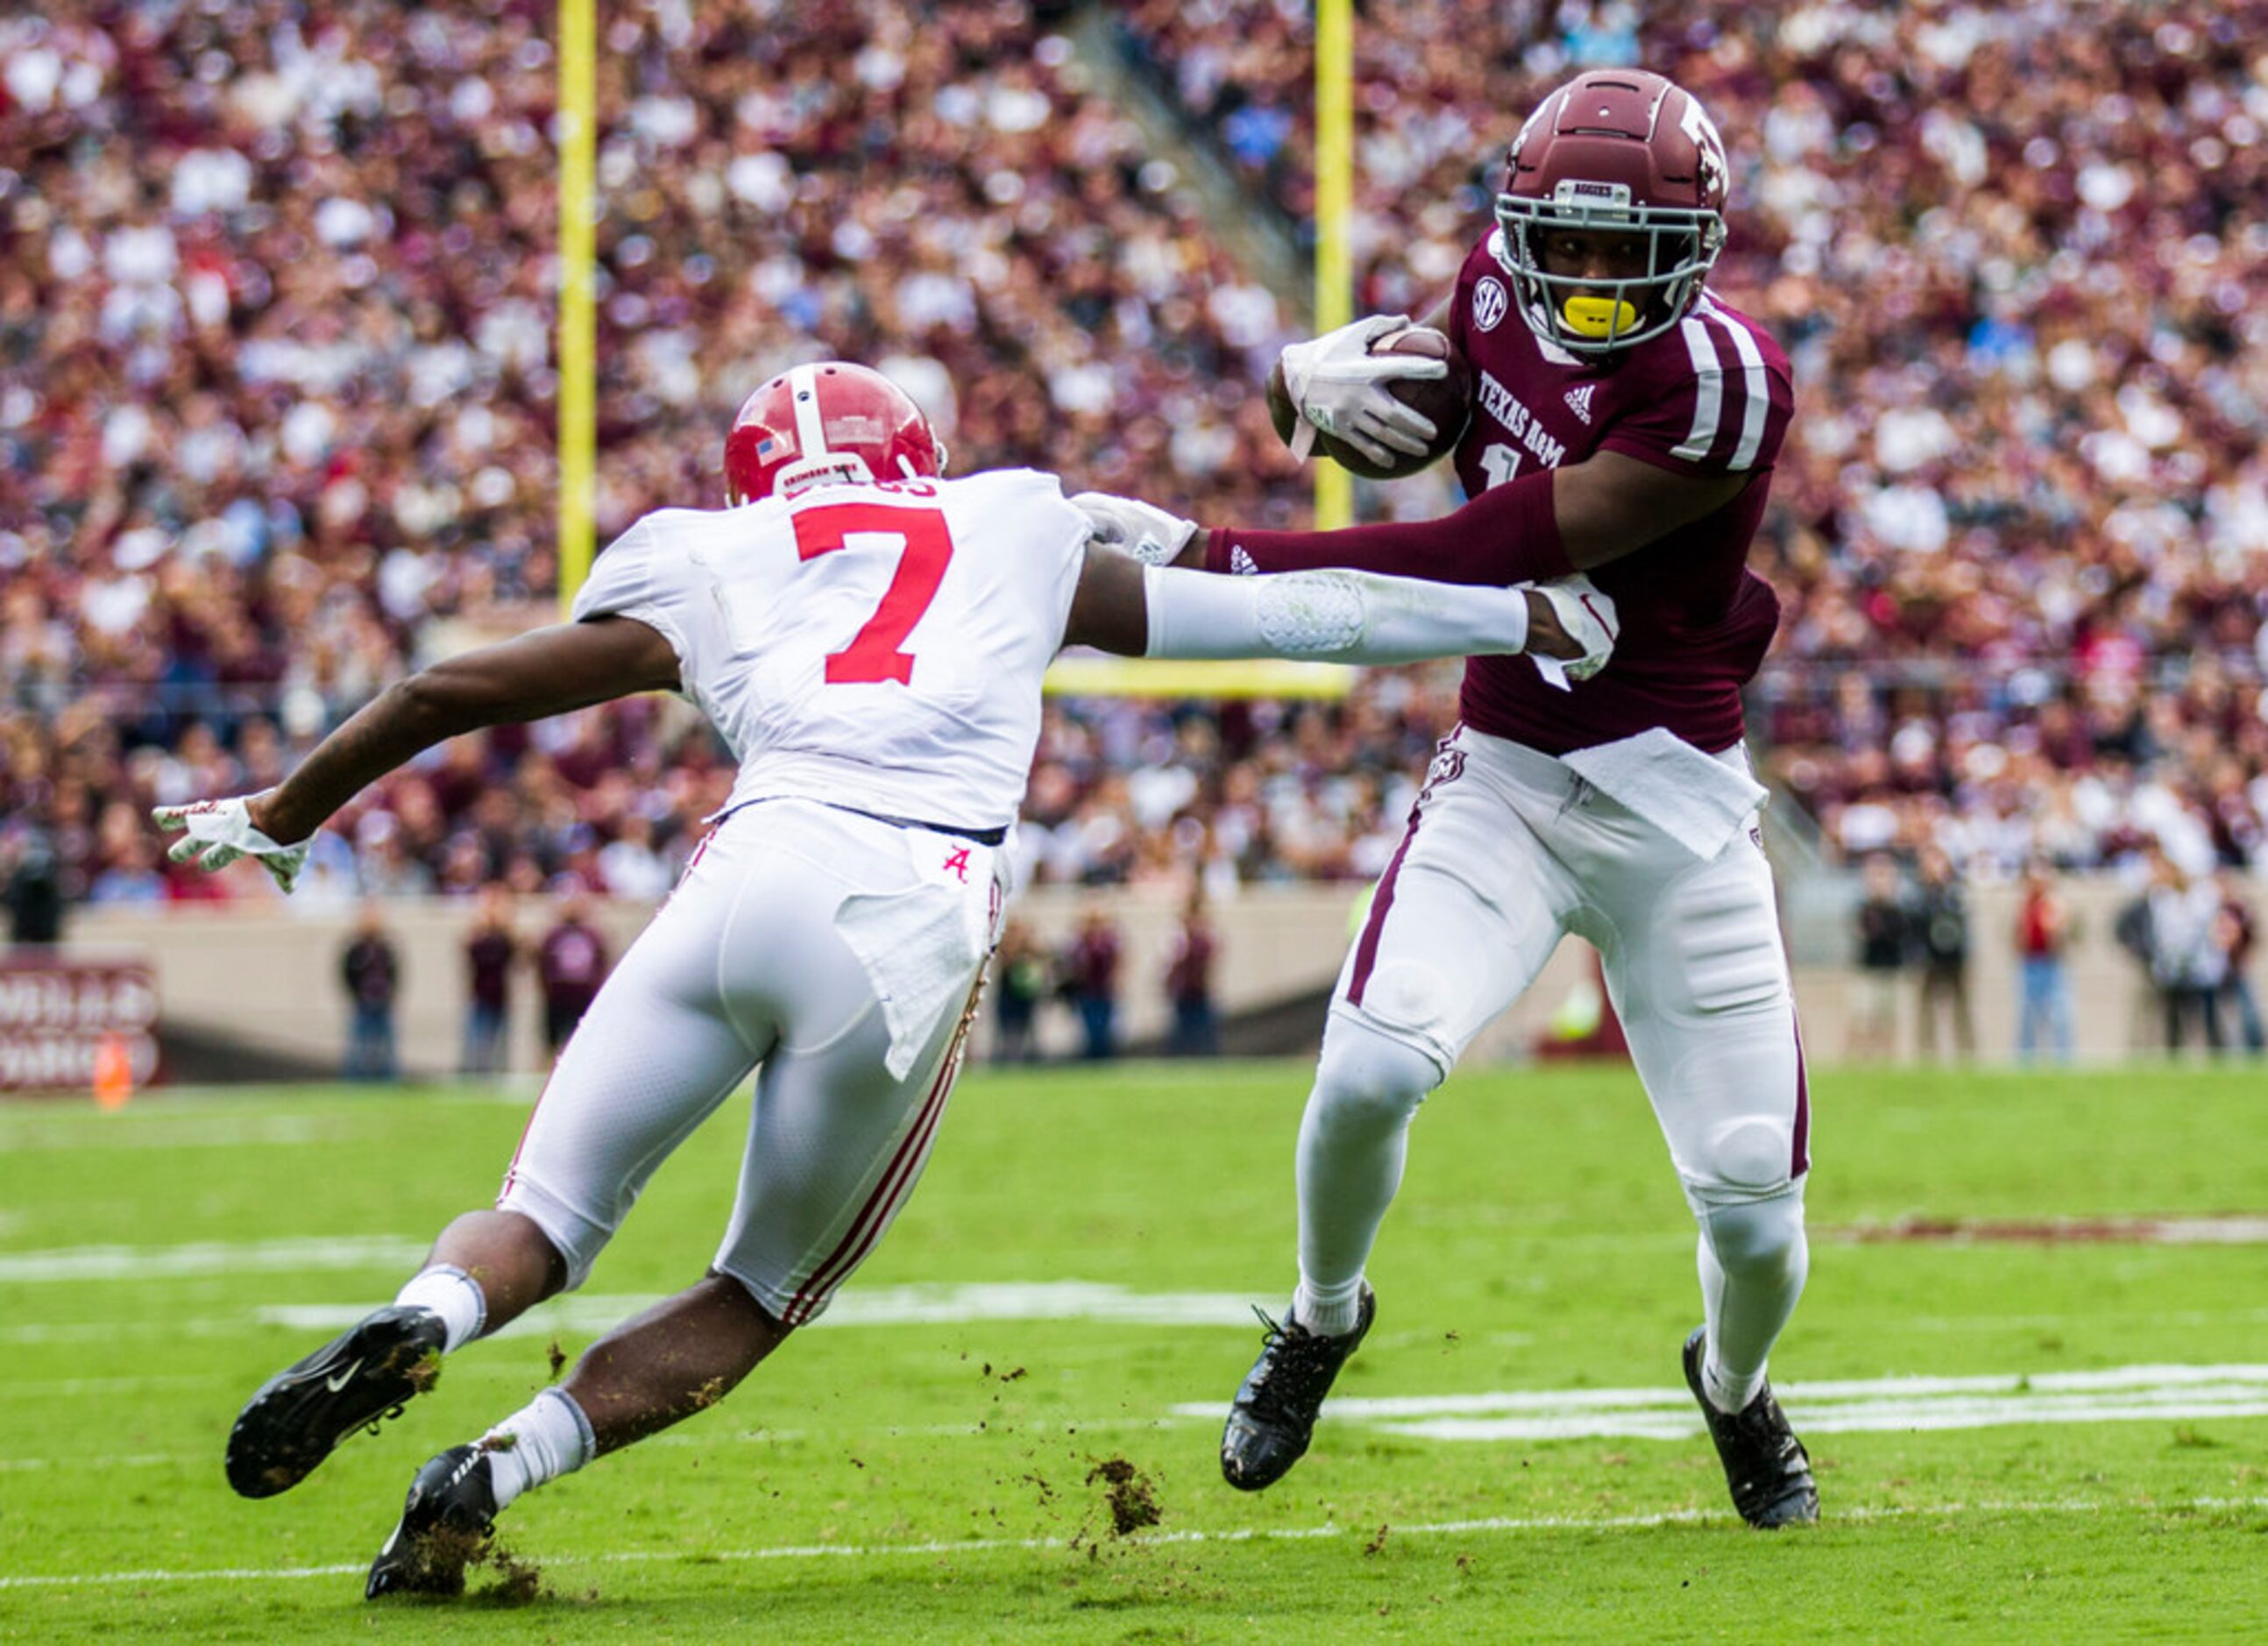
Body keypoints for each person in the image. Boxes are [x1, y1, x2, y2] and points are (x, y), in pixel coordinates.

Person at [152, 360, 1615, 1599]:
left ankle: (428, 1313)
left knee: (541, 1212)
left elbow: (442, 690)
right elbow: (1295, 621)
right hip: (904, 903)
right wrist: (1512, 615)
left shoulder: (705, 552)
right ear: (915, 453)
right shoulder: (1009, 517)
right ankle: (490, 1464)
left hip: (744, 864)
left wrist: (285, 813)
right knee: (762, 1288)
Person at [1081, 67, 1815, 1529]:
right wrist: (1307, 386)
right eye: (1571, 242)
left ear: (1698, 240)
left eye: (1628, 248)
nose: (1593, 277)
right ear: (1522, 224)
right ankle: (1315, 1313)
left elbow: (1492, 546)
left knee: (1751, 1210)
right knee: (1367, 1067)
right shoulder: (1490, 282)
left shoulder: (1721, 388)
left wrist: (1221, 557)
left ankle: (1730, 1386)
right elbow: (1422, 406)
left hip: (1673, 808)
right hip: (1509, 775)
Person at [535, 886, 610, 1067]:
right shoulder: (554, 935)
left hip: (582, 996)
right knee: (551, 1042)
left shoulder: (592, 935)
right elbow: (543, 963)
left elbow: (601, 963)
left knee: (582, 1043)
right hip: (557, 996)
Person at [1911, 847, 1973, 1062]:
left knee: (1961, 1009)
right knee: (1927, 1009)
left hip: (1953, 959)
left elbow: (1963, 923)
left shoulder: (1954, 893)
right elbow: (1915, 926)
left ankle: (1966, 1053)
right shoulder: (1920, 894)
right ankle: (1927, 1054)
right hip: (1930, 959)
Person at [1850, 853, 1911, 1063]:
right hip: (1868, 970)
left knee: (1888, 1020)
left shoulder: (1897, 909)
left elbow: (1900, 935)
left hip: (1890, 970)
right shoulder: (1864, 907)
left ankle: (1886, 1061)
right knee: (1862, 1018)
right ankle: (1862, 1060)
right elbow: (1861, 933)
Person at [2014, 862, 2074, 1063]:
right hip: (2030, 963)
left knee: (2059, 1014)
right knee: (2027, 1014)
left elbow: (2067, 933)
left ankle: (2063, 1059)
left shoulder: (2055, 905)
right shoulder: (2024, 906)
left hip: (2052, 963)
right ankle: (2026, 1059)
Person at [461, 883, 518, 1078]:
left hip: (500, 994)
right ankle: (476, 1071)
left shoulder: (504, 939)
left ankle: (496, 1072)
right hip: (481, 994)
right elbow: (471, 951)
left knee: (499, 1039)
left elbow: (515, 956)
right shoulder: (479, 939)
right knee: (478, 1038)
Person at [340, 900, 400, 1082]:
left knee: (386, 1045)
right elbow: (346, 974)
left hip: (383, 1001)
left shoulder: (385, 948)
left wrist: (391, 995)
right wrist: (355, 995)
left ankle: (388, 1079)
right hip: (363, 1002)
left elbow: (395, 973)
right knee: (358, 1045)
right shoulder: (355, 949)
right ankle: (355, 1080)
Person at [1060, 905, 1123, 1061]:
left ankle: (1104, 1058)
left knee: (1105, 1028)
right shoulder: (1080, 942)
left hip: (1104, 990)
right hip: (1087, 990)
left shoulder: (1110, 941)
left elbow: (1119, 962)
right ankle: (1092, 1058)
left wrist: (1116, 981)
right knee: (1090, 1028)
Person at [1165, 889, 1222, 1056]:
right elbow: (1171, 958)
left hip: (1201, 986)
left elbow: (1214, 955)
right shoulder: (1177, 934)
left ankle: (1205, 1058)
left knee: (1205, 1027)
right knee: (1182, 1027)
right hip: (1182, 987)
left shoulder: (1207, 933)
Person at [2215, 871, 2264, 1055]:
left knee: (2248, 1012)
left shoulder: (2240, 909)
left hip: (2238, 968)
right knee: (2225, 1014)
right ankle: (2230, 1051)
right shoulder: (2214, 908)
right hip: (2218, 970)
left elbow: (2250, 934)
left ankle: (2255, 1050)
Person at [989, 919, 1049, 1064]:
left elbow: (1044, 956)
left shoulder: (1030, 947)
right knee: (1007, 1028)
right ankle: (1008, 1057)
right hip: (1007, 993)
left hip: (1026, 995)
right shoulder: (1005, 946)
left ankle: (1033, 1057)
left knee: (1029, 1027)